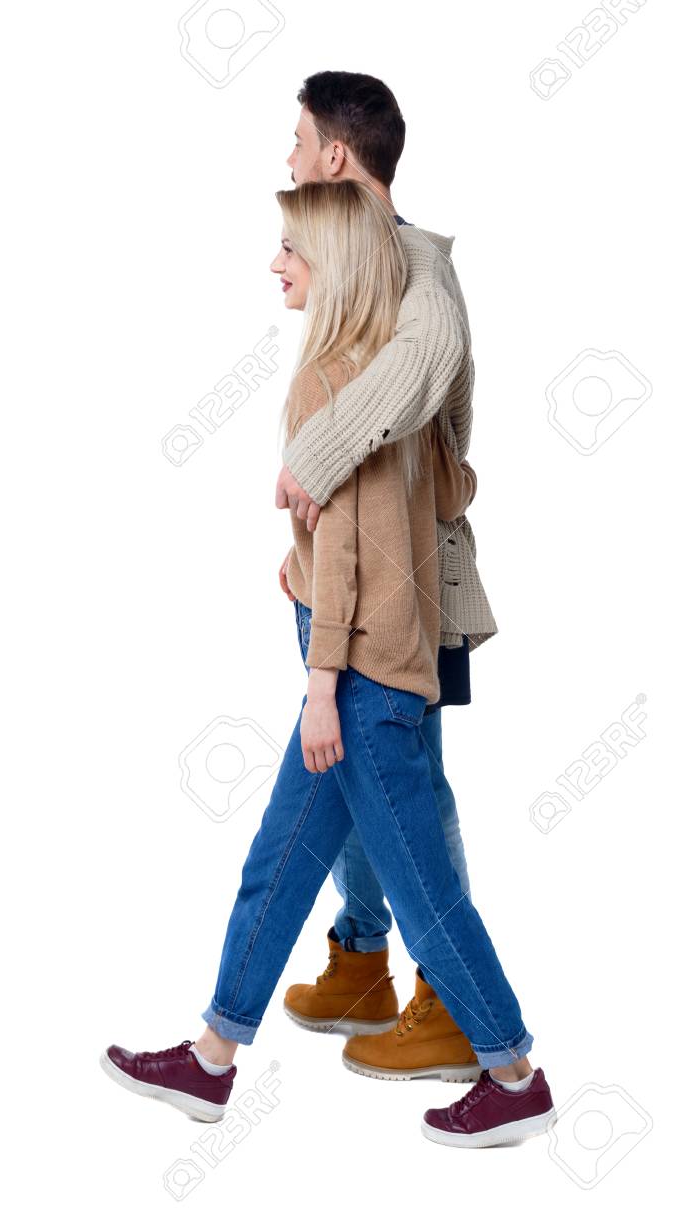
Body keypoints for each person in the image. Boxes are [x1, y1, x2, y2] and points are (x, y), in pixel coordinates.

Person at [101, 180, 556, 1148]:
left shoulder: (327, 386)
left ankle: (512, 1071)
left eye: (289, 250)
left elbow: (344, 558)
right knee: (277, 862)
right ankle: (213, 1058)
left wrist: (318, 686)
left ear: (333, 267)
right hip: (391, 656)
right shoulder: (404, 378)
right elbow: (452, 486)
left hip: (356, 676)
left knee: (422, 890)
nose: (274, 264)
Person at [278, 71, 497, 1080]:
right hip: (339, 577)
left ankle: (449, 1005)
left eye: (296, 143)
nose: (285, 160)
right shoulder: (347, 262)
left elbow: (421, 365)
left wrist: (312, 457)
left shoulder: (417, 268)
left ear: (334, 157)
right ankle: (360, 959)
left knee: (408, 786)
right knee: (361, 777)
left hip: (408, 585)